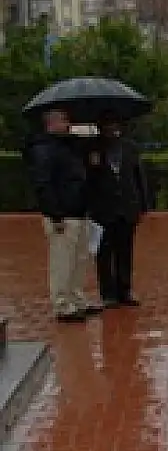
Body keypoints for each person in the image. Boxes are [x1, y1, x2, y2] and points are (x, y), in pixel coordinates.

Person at [26, 108, 97, 322]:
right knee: (62, 261)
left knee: (79, 260)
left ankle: (77, 298)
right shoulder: (44, 149)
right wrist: (54, 214)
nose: (68, 124)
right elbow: (43, 184)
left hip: (79, 211)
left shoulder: (69, 146)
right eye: (64, 120)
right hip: (63, 215)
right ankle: (62, 304)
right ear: (52, 123)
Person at [86, 117, 149, 308]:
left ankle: (125, 290)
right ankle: (108, 294)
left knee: (125, 252)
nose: (113, 129)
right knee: (104, 254)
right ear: (100, 128)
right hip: (103, 211)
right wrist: (92, 165)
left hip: (127, 208)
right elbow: (87, 180)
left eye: (115, 126)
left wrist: (143, 204)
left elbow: (139, 177)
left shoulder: (130, 147)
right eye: (108, 126)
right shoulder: (92, 148)